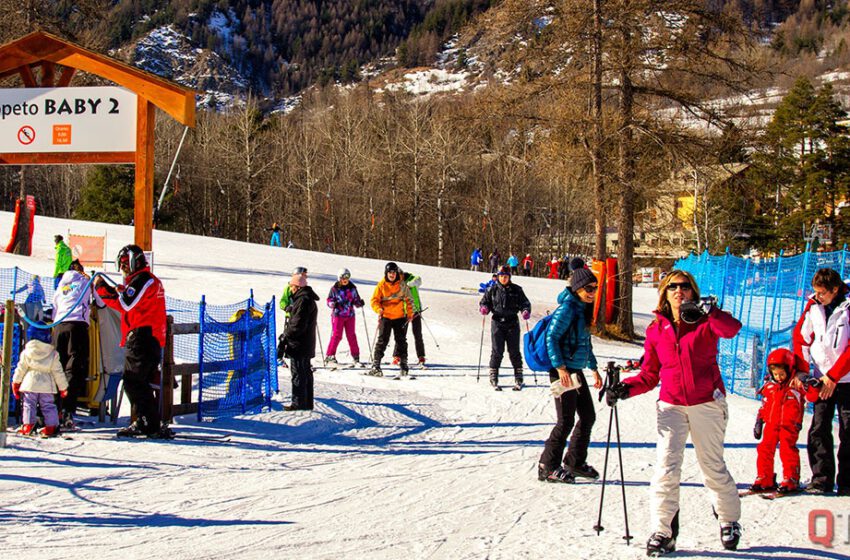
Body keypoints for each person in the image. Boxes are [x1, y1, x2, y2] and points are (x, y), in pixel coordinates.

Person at [606, 270, 743, 555]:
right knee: (666, 469)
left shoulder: (706, 322)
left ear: (693, 291)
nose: (678, 291)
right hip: (671, 405)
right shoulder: (657, 330)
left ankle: (729, 520)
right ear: (665, 293)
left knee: (712, 467)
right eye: (672, 287)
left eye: (684, 287)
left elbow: (732, 329)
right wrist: (624, 389)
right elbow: (649, 375)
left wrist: (710, 310)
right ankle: (663, 530)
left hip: (706, 402)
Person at [94, 245, 169, 438]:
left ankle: (149, 423)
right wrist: (120, 289)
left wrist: (102, 290)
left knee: (133, 381)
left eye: (126, 265)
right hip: (147, 336)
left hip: (143, 336)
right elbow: (133, 298)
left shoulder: (143, 279)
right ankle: (147, 421)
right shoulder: (145, 281)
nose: (124, 270)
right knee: (139, 382)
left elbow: (126, 303)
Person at [537, 266, 601, 483]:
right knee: (565, 420)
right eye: (588, 289)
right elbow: (551, 338)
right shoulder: (568, 309)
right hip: (562, 372)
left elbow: (586, 343)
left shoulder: (582, 308)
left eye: (594, 288)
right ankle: (548, 465)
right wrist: (561, 368)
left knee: (588, 416)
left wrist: (593, 369)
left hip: (576, 370)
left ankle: (574, 461)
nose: (592, 292)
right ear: (577, 289)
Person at [792, 267, 850, 495]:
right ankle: (821, 479)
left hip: (844, 379)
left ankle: (847, 481)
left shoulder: (847, 308)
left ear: (835, 290)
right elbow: (801, 338)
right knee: (818, 428)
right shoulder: (813, 307)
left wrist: (833, 377)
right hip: (821, 378)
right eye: (815, 292)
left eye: (823, 292)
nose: (818, 296)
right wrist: (802, 371)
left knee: (848, 429)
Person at [751, 348, 811, 494]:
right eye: (775, 374)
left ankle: (791, 478)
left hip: (788, 426)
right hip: (771, 424)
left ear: (790, 370)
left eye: (782, 374)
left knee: (787, 450)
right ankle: (765, 477)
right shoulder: (770, 387)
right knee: (764, 449)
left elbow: (809, 392)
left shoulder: (795, 386)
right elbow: (764, 405)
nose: (778, 377)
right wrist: (759, 421)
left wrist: (807, 381)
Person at [53, 259, 102, 430]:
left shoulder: (62, 284)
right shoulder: (85, 280)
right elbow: (100, 302)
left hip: (59, 326)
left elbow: (55, 305)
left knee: (57, 367)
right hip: (77, 325)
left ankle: (54, 409)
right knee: (74, 368)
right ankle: (67, 410)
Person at [479, 266, 530, 390]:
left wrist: (525, 310)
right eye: (501, 276)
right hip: (497, 323)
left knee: (514, 351)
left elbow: (525, 303)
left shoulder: (517, 290)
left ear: (509, 277)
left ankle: (518, 376)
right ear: (498, 276)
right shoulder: (492, 289)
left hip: (512, 323)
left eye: (506, 276)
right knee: (497, 351)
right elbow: (484, 302)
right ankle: (493, 376)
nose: (503, 278)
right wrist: (484, 308)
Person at [12, 326, 68, 437]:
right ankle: (51, 426)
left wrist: (16, 383)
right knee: (48, 405)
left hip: (30, 384)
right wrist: (63, 387)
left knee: (28, 405)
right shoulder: (53, 354)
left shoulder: (26, 352)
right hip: (47, 385)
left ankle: (28, 426)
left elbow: (20, 369)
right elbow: (58, 372)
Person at [280, 273, 319, 410]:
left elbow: (297, 325)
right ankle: (307, 402)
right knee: (305, 372)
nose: (290, 289)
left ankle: (298, 404)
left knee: (298, 373)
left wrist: (286, 336)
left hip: (299, 344)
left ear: (297, 287)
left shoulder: (303, 301)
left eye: (292, 287)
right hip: (305, 343)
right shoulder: (305, 299)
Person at [368, 262, 414, 378]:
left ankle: (404, 365)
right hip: (386, 316)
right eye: (390, 272)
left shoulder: (402, 285)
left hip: (399, 317)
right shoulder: (381, 285)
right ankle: (376, 365)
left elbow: (409, 299)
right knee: (382, 340)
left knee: (401, 341)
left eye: (394, 272)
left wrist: (410, 313)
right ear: (386, 273)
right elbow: (374, 300)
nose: (392, 275)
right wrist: (378, 309)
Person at [325, 268, 365, 367]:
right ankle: (330, 355)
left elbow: (356, 300)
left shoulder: (352, 288)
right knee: (337, 335)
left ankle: (356, 356)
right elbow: (329, 299)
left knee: (351, 335)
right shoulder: (334, 288)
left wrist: (359, 303)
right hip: (338, 315)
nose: (345, 279)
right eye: (343, 277)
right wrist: (332, 304)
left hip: (350, 315)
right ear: (339, 278)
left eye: (347, 277)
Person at [393, 270, 426, 368]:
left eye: (400, 276)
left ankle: (421, 356)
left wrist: (410, 284)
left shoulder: (411, 278)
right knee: (401, 335)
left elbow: (419, 280)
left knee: (418, 334)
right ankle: (397, 356)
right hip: (404, 312)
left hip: (416, 311)